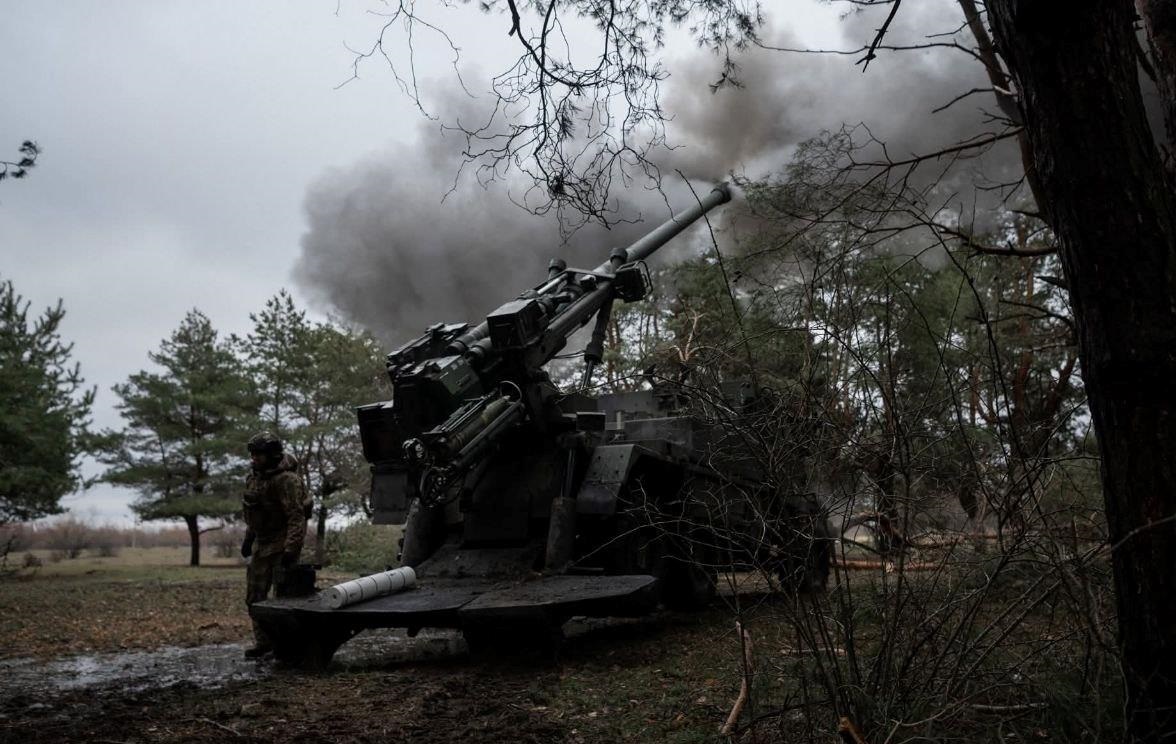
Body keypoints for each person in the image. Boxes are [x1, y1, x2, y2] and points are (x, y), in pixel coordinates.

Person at [240, 431, 310, 659]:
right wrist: (249, 539)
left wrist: (291, 550)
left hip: (282, 543)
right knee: (254, 597)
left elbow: (296, 517)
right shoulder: (253, 478)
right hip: (262, 543)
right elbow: (255, 512)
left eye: (259, 454)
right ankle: (265, 643)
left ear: (272, 455)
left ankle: (285, 647)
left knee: (283, 600)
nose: (254, 458)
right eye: (252, 454)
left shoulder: (287, 480)